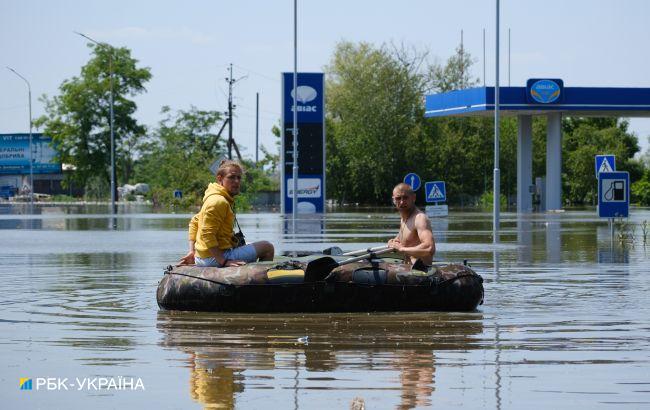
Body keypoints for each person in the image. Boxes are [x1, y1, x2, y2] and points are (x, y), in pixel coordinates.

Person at [179, 160, 274, 267]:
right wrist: (223, 261)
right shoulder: (219, 201)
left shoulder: (215, 197)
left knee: (250, 243)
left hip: (203, 256)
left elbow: (194, 222)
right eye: (231, 177)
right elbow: (207, 234)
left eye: (239, 178)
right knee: (267, 247)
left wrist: (192, 252)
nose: (237, 181)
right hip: (213, 258)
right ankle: (262, 280)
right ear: (220, 179)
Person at [387, 183, 435, 267]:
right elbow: (405, 240)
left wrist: (402, 249)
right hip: (407, 269)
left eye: (405, 198)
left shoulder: (420, 218)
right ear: (394, 200)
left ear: (413, 198)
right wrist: (392, 242)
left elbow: (429, 248)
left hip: (421, 272)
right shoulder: (404, 219)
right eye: (398, 198)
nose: (402, 202)